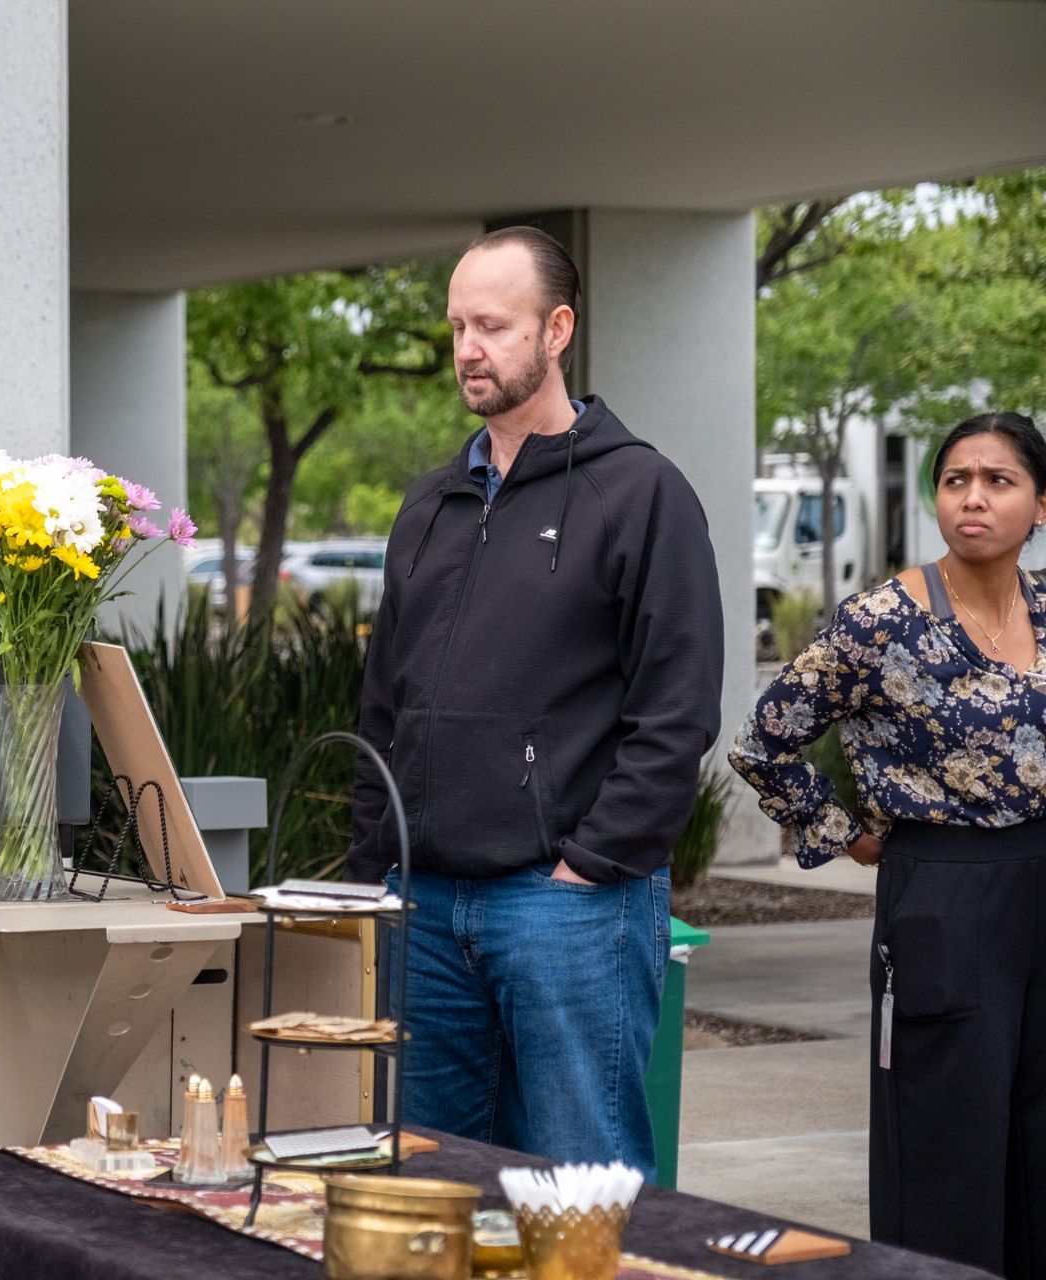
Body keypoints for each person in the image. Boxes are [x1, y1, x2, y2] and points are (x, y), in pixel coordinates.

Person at [348, 226, 724, 1177]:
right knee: (427, 1182)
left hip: (565, 907)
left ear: (557, 329)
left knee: (579, 1185)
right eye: (458, 326)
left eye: (494, 325)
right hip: (423, 905)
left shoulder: (642, 492)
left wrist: (593, 864)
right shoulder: (429, 506)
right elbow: (383, 702)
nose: (469, 347)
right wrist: (371, 870)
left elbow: (675, 707)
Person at [730, 412, 1046, 1277]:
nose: (973, 498)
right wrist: (843, 834)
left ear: (1041, 506)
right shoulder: (881, 622)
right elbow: (765, 740)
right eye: (955, 481)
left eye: (998, 481)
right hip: (943, 894)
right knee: (948, 1140)